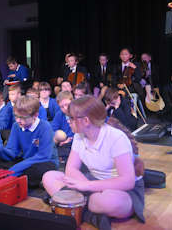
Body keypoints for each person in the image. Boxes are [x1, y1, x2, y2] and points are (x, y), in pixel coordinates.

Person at [42, 96, 144, 228]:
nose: (68, 121)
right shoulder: (79, 136)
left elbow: (127, 182)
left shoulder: (116, 138)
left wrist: (87, 186)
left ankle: (73, 207)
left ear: (86, 121)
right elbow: (71, 169)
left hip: (120, 190)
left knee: (108, 202)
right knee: (49, 176)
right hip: (92, 182)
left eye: (71, 118)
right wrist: (84, 184)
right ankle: (91, 214)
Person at [0, 96, 58, 188]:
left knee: (31, 173)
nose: (18, 120)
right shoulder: (16, 126)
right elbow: (12, 151)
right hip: (26, 159)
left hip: (45, 161)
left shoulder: (45, 127)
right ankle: (14, 177)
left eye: (22, 118)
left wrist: (15, 170)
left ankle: (21, 179)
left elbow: (43, 156)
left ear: (35, 115)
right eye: (16, 116)